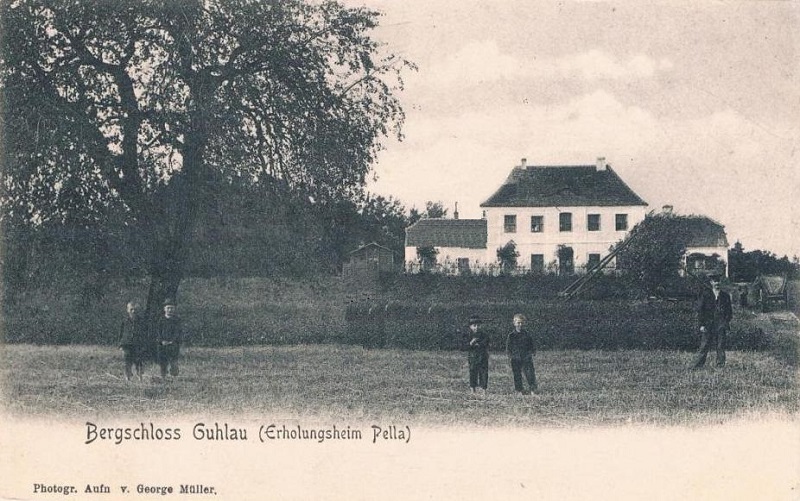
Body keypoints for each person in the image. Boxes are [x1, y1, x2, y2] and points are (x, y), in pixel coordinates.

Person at [691, 277, 732, 368]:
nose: (717, 283)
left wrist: (725, 322)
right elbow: (701, 311)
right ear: (711, 282)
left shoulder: (725, 296)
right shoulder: (706, 295)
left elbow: (729, 312)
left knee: (720, 346)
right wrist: (701, 324)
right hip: (708, 324)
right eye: (715, 281)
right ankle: (697, 366)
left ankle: (720, 365)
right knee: (704, 345)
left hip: (720, 324)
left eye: (718, 281)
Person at [506, 313, 537, 395]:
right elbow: (508, 347)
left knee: (530, 373)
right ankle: (519, 390)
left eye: (521, 323)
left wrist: (532, 351)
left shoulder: (527, 334)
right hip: (515, 357)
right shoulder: (511, 336)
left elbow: (531, 344)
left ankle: (532, 389)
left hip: (526, 356)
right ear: (514, 323)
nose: (520, 324)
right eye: (518, 323)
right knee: (517, 374)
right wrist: (510, 355)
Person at [156, 298, 183, 378]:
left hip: (173, 344)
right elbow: (158, 332)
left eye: (172, 308)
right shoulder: (161, 320)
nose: (170, 310)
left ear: (174, 309)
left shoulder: (177, 320)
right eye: (168, 308)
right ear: (164, 309)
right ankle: (163, 375)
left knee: (173, 361)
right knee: (163, 362)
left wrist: (173, 341)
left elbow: (178, 332)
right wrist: (161, 340)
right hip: (163, 344)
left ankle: (174, 373)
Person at [119, 301, 146, 381]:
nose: (133, 311)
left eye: (135, 310)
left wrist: (144, 344)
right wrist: (120, 344)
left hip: (137, 343)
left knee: (138, 360)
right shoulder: (125, 321)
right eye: (131, 309)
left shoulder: (142, 321)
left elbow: (144, 333)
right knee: (127, 360)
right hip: (126, 344)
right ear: (127, 310)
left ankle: (140, 376)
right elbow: (121, 333)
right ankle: (128, 376)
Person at [463, 315, 489, 394]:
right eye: (474, 326)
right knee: (473, 372)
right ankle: (472, 389)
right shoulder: (468, 335)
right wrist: (471, 343)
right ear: (470, 326)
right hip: (473, 357)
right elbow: (464, 346)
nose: (476, 327)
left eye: (478, 325)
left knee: (483, 373)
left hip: (482, 356)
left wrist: (479, 344)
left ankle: (483, 389)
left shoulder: (484, 335)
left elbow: (486, 343)